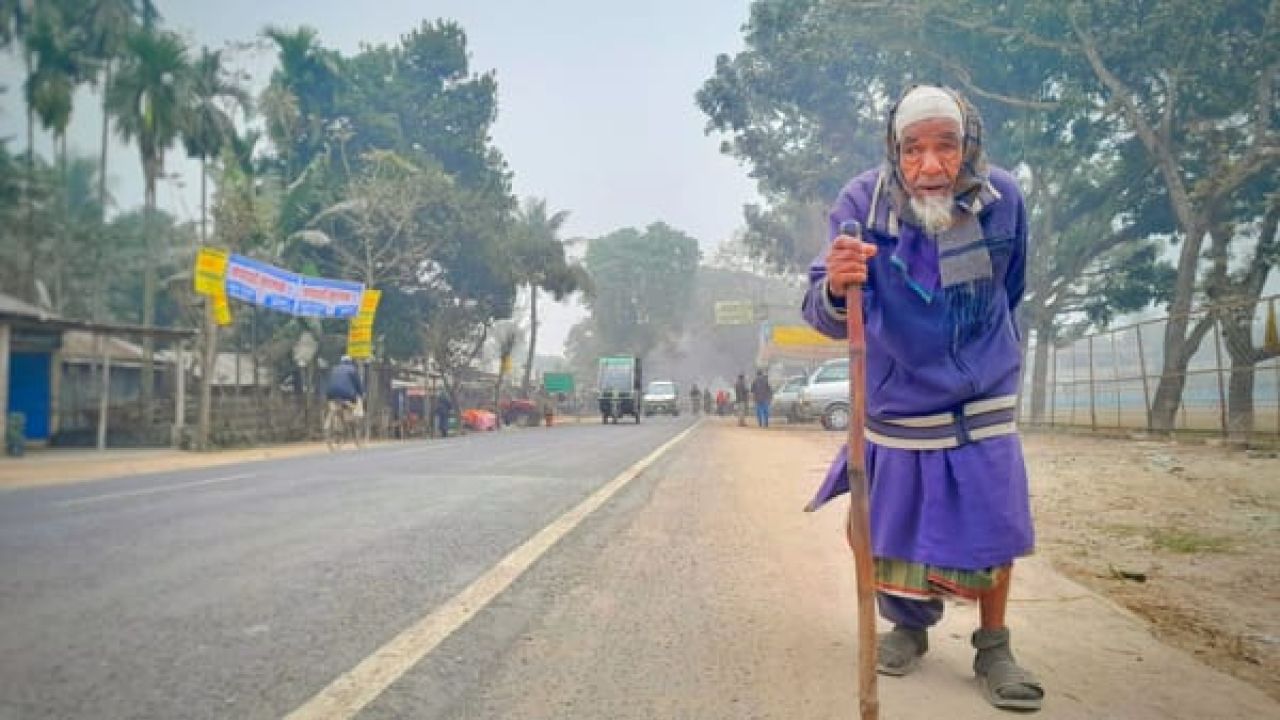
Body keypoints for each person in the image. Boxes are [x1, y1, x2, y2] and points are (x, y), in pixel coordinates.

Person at [802, 85, 1041, 711]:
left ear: (970, 148)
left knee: (994, 518)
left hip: (981, 387)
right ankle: (908, 626)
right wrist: (837, 282)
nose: (930, 166)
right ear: (894, 151)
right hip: (896, 394)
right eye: (913, 149)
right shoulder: (860, 205)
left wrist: (977, 350)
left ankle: (993, 645)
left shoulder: (1004, 199)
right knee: (886, 529)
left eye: (946, 146)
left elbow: (1009, 286)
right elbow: (822, 311)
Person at [324, 355, 364, 439]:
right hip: (346, 394)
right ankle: (351, 418)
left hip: (331, 393)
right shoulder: (352, 369)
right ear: (350, 362)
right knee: (353, 404)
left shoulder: (334, 368)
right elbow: (358, 385)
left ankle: (335, 423)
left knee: (335, 406)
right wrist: (361, 394)